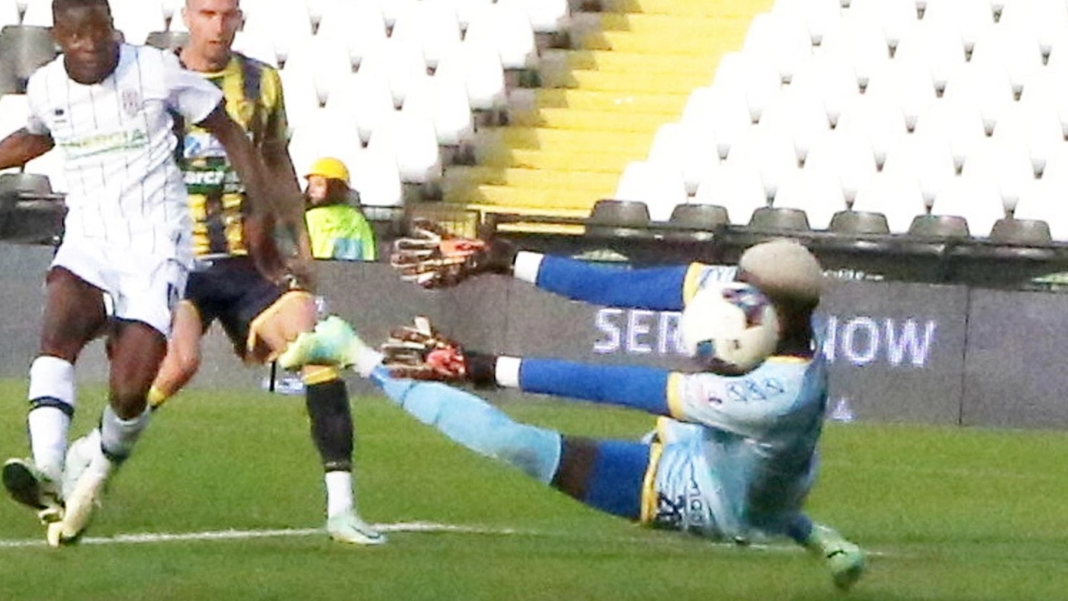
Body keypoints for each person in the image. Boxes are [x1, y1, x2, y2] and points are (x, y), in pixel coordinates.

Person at [0, 0, 266, 547]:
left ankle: (95, 460)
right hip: (89, 239)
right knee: (59, 327)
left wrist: (258, 204)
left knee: (129, 390)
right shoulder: (48, 85)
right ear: (58, 39)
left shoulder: (155, 72)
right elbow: (34, 137)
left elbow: (229, 130)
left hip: (155, 244)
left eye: (99, 29)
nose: (91, 43)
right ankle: (46, 468)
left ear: (112, 25)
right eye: (77, 34)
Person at [300, 238, 867, 590]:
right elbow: (619, 286)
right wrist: (500, 259)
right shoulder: (745, 300)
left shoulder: (780, 391)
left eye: (743, 287)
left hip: (709, 494)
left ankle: (355, 354)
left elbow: (625, 387)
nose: (727, 290)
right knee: (765, 477)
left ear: (780, 313)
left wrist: (484, 367)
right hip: (744, 452)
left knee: (519, 446)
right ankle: (819, 537)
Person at [142, 0, 383, 545]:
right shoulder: (155, 79)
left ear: (240, 18)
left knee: (315, 347)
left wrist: (298, 245)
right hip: (174, 255)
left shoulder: (260, 83)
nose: (217, 26)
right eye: (207, 14)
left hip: (246, 260)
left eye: (228, 14)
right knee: (177, 366)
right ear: (186, 16)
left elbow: (276, 164)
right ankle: (94, 454)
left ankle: (342, 506)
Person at [303, 156, 377, 261]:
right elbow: (369, 257)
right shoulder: (359, 221)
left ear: (335, 186)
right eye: (310, 185)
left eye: (319, 184)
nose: (312, 190)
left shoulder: (310, 219)